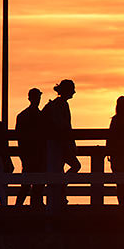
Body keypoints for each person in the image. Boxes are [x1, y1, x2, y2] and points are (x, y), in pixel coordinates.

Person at [43, 79, 81, 208]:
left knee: (59, 170)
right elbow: (64, 127)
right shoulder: (61, 105)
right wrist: (70, 143)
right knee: (68, 168)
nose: (74, 93)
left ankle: (60, 193)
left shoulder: (54, 104)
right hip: (59, 144)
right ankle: (60, 194)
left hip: (57, 144)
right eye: (72, 90)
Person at [15, 88, 47, 208]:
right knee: (33, 182)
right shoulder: (40, 116)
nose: (37, 100)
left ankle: (21, 206)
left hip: (29, 153)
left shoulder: (22, 115)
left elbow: (19, 137)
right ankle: (35, 205)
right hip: (34, 153)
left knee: (28, 182)